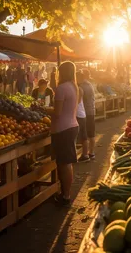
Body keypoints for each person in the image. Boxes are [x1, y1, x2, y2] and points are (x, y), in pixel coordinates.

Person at [50, 61, 79, 205]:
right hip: (72, 126)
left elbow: (57, 112)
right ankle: (65, 193)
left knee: (64, 163)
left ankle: (66, 195)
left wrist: (43, 109)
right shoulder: (74, 87)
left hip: (63, 129)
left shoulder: (61, 88)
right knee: (66, 163)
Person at [78, 69, 96, 161]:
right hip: (91, 111)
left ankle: (85, 154)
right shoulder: (89, 84)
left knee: (84, 135)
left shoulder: (81, 87)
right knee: (91, 133)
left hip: (86, 112)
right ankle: (91, 153)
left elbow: (79, 101)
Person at [75, 71, 88, 161]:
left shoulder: (78, 89)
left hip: (78, 114)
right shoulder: (79, 88)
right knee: (83, 136)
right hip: (82, 114)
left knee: (78, 136)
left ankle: (84, 155)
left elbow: (77, 102)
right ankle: (85, 155)